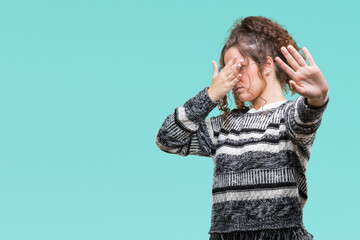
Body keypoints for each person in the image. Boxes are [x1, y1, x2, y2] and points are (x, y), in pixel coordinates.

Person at [155, 16, 329, 240]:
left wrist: (319, 97)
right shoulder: (223, 127)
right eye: (228, 71)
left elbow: (307, 116)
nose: (233, 78)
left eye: (240, 67)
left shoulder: (289, 116)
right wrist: (211, 95)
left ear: (267, 65)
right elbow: (167, 139)